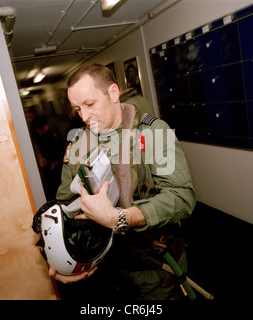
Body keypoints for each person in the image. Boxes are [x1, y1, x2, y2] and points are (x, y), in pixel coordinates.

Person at [50, 63, 197, 300]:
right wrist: (60, 260)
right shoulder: (78, 146)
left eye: (90, 104)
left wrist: (119, 218)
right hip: (110, 266)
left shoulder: (152, 133)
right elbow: (64, 208)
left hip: (157, 266)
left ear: (113, 93)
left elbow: (182, 198)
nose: (84, 117)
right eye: (78, 109)